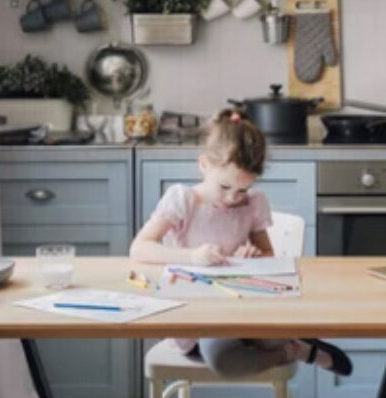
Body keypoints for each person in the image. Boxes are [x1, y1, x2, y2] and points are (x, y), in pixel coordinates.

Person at [130, 108, 353, 378]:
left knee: (270, 336)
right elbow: (140, 248)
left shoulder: (253, 204)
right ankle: (297, 350)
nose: (233, 198)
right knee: (225, 360)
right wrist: (192, 256)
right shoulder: (183, 200)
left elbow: (269, 254)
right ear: (204, 166)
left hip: (244, 307)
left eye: (242, 190)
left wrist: (256, 256)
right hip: (198, 316)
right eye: (224, 187)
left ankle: (288, 342)